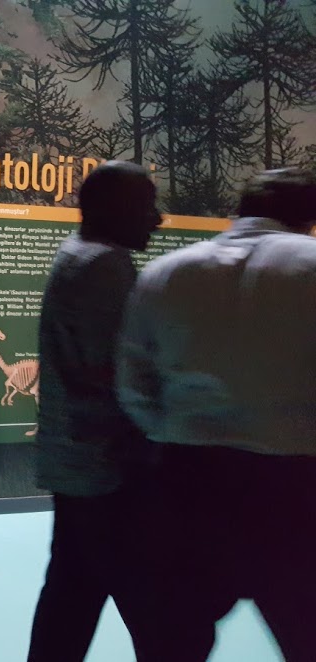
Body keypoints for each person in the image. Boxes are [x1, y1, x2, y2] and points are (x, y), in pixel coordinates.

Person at [117, 168, 316, 661]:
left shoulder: (166, 272)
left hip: (187, 479)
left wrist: (172, 434)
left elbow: (133, 384)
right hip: (294, 483)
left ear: (240, 211)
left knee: (175, 642)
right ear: (307, 216)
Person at [26, 161, 162, 661]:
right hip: (107, 469)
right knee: (155, 611)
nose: (158, 219)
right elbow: (110, 374)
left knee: (72, 595)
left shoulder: (76, 254)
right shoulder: (106, 264)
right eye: (147, 206)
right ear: (116, 209)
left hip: (77, 463)